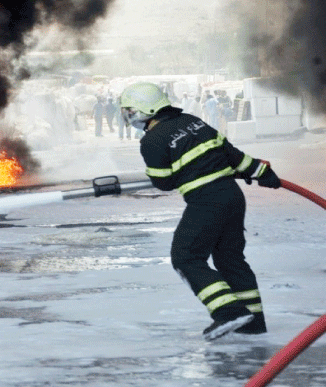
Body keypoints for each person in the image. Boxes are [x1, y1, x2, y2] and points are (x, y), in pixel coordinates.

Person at [119, 82, 282, 341]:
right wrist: (261, 171)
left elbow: (163, 182)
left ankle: (227, 312)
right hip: (232, 197)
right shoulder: (193, 121)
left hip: (206, 202)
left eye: (130, 110)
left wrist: (166, 169)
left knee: (186, 257)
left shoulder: (152, 140)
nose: (128, 116)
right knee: (231, 260)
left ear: (145, 110)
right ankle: (253, 323)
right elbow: (232, 155)